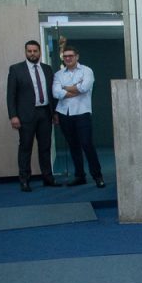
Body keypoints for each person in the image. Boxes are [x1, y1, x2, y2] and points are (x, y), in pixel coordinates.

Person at [6, 40, 60, 192]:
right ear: (25, 52)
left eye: (35, 51)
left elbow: (52, 93)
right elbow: (11, 95)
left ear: (40, 52)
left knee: (45, 147)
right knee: (25, 147)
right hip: (25, 115)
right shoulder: (16, 69)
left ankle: (48, 178)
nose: (32, 54)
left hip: (45, 113)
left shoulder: (47, 69)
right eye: (29, 51)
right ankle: (24, 180)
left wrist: (55, 112)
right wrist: (13, 116)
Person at [52, 46, 105, 188]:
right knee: (73, 146)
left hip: (82, 112)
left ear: (77, 57)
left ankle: (97, 176)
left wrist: (65, 87)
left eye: (71, 56)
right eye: (65, 56)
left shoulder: (87, 71)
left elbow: (84, 88)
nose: (68, 58)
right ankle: (79, 176)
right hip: (64, 114)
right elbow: (56, 93)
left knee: (87, 145)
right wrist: (74, 88)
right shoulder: (58, 74)